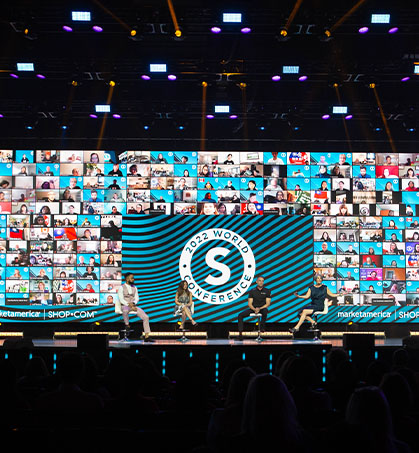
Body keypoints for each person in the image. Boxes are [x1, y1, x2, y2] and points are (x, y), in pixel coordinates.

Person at [117, 273, 154, 342]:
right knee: (125, 311)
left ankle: (146, 336)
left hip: (133, 306)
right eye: (132, 278)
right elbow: (121, 299)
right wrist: (129, 305)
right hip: (125, 305)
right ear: (127, 279)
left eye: (133, 278)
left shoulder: (135, 287)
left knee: (146, 317)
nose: (133, 279)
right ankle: (127, 325)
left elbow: (137, 298)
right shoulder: (121, 288)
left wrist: (133, 304)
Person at [237, 276, 271, 340]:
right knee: (240, 315)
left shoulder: (267, 291)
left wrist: (259, 309)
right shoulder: (252, 291)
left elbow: (268, 304)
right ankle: (240, 334)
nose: (261, 282)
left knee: (265, 311)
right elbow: (249, 303)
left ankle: (262, 327)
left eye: (262, 281)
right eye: (260, 281)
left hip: (262, 308)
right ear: (256, 282)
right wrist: (254, 309)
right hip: (253, 308)